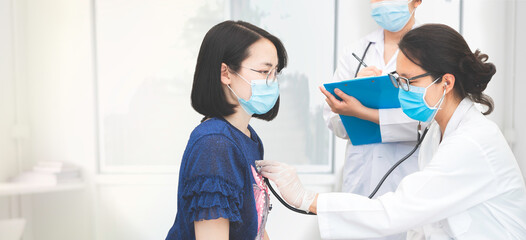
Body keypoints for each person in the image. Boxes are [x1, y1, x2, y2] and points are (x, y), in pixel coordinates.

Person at [257, 24, 526, 239]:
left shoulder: (472, 141)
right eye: (398, 80)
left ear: (446, 82)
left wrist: (308, 199)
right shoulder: (436, 133)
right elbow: (426, 221)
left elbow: (397, 211)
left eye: (409, 82)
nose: (401, 90)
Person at [165, 20, 287, 240]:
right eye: (263, 71)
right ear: (225, 73)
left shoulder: (248, 137)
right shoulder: (214, 144)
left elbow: (256, 226)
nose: (273, 82)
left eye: (275, 73)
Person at [322, 1, 422, 239]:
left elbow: (426, 123)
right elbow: (333, 120)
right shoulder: (356, 50)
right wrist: (355, 90)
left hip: (407, 182)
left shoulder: (432, 52)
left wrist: (363, 112)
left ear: (417, 1)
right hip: (360, 180)